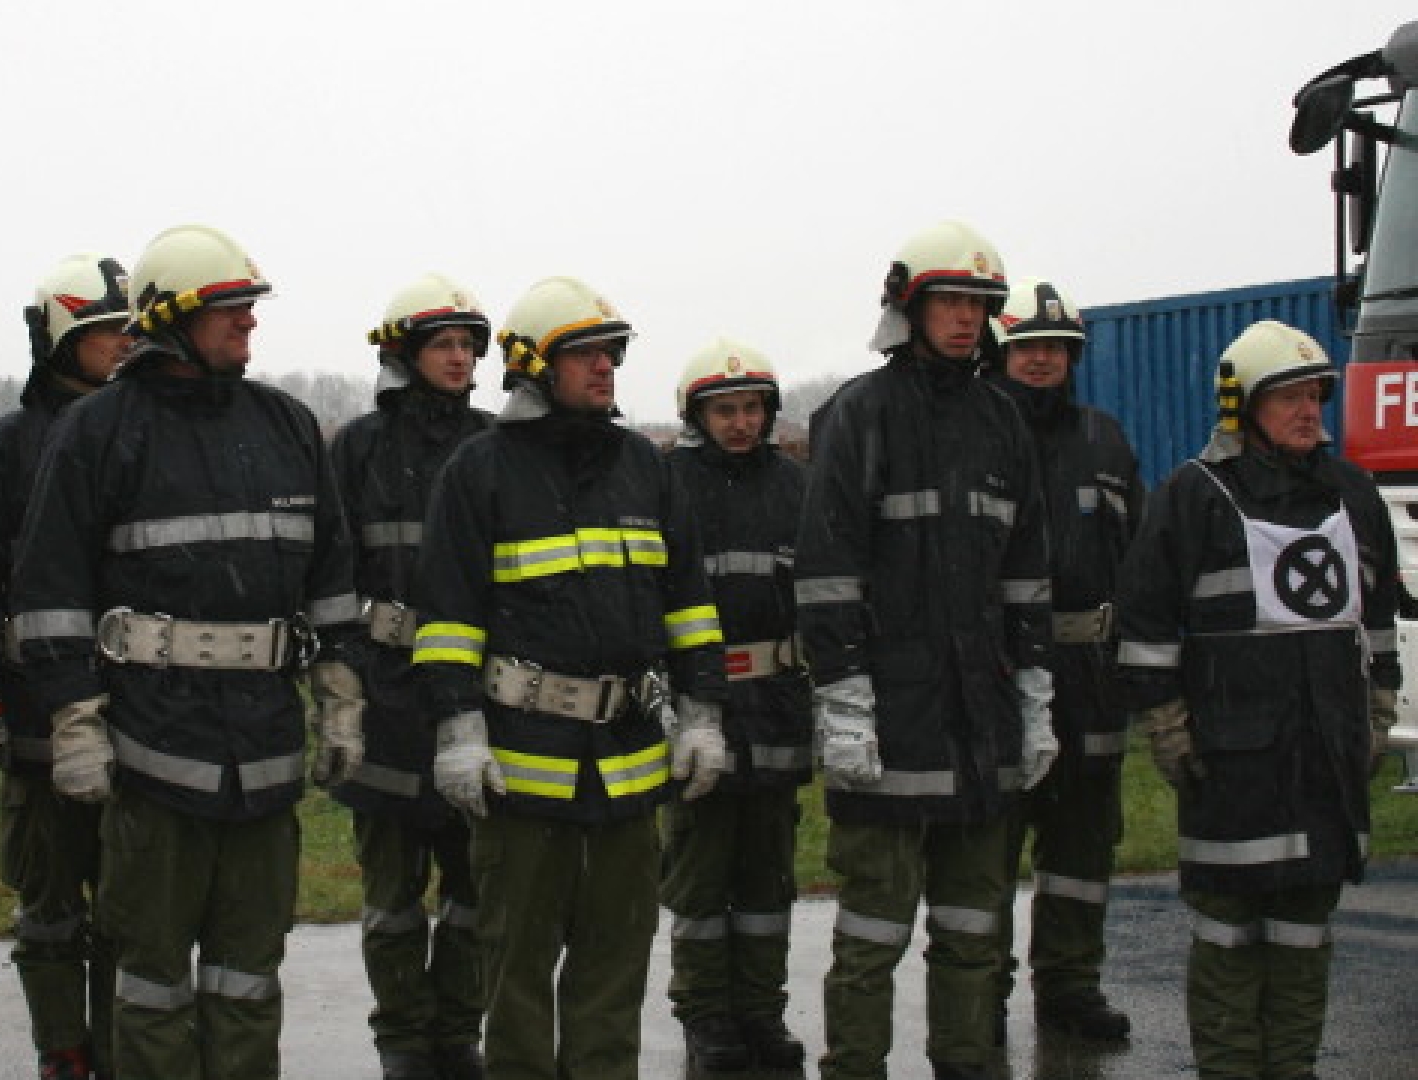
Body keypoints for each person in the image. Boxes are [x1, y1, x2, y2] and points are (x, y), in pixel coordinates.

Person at [12, 224, 365, 1080]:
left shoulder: (285, 425)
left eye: (250, 309)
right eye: (230, 310)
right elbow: (50, 591)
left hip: (266, 756)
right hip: (154, 755)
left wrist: (343, 701)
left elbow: (333, 581)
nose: (249, 325)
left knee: (249, 977)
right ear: (171, 318)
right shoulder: (99, 431)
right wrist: (75, 722)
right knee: (153, 984)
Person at [412, 276, 728, 1080]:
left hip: (628, 766)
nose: (605, 369)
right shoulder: (477, 472)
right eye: (584, 354)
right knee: (516, 968)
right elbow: (447, 617)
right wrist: (458, 732)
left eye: (610, 355)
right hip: (521, 765)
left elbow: (689, 605)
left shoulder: (647, 470)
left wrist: (703, 717)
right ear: (532, 366)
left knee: (615, 964)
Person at [793, 220, 1056, 1080]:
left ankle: (969, 1065)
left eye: (980, 305)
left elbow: (1026, 573)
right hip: (888, 722)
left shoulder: (1002, 421)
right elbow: (829, 574)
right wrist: (844, 706)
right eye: (948, 301)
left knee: (975, 931)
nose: (964, 320)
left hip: (980, 725)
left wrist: (1035, 697)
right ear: (910, 306)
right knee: (872, 932)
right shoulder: (859, 415)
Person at [1113, 320, 1401, 1080]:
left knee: (1305, 934)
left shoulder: (1355, 495)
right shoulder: (1192, 497)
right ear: (1243, 406)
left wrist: (1378, 709)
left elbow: (1377, 621)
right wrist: (1168, 727)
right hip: (1231, 761)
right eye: (1289, 398)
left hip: (1325, 757)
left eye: (1315, 396)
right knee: (1229, 937)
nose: (1310, 411)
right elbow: (1144, 628)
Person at [0, 252, 132, 1080]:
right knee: (50, 906)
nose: (126, 345)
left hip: (138, 717)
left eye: (133, 330)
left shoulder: (145, 435)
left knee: (135, 910)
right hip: (33, 721)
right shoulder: (6, 448)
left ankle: (130, 1049)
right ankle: (63, 1049)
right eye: (106, 332)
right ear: (61, 339)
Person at [329, 274, 494, 1080]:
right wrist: (347, 684)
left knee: (475, 885)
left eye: (468, 345)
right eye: (443, 344)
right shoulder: (357, 448)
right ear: (403, 353)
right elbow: (331, 573)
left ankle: (457, 1031)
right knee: (393, 894)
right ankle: (402, 1039)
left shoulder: (498, 444)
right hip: (386, 691)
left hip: (476, 693)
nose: (460, 358)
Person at [981, 278, 1143, 1045]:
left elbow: (1137, 558)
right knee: (988, 847)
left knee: (1083, 842)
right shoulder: (973, 435)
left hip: (1090, 672)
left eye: (1056, 349)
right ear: (1001, 354)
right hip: (1000, 670)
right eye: (1027, 348)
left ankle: (1071, 987)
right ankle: (976, 996)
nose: (1042, 360)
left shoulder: (1105, 437)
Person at [660, 337, 812, 1077]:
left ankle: (762, 1010)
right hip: (700, 707)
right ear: (697, 415)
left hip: (778, 706)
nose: (741, 422)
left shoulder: (795, 487)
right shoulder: (666, 485)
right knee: (698, 873)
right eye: (725, 409)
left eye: (752, 407)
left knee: (767, 878)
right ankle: (705, 1018)